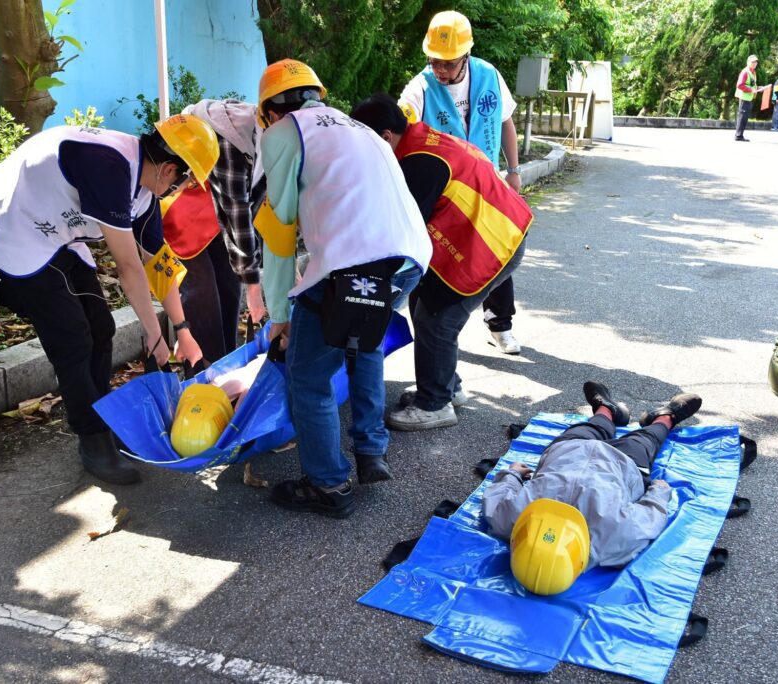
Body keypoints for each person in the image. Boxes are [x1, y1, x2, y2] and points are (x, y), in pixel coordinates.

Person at [0, 115, 217, 484]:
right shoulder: (110, 166)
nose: (182, 188)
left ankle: (102, 419)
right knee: (73, 338)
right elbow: (130, 268)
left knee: (102, 327)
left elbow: (158, 263)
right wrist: (155, 335)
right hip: (17, 227)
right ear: (168, 169)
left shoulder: (144, 187)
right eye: (185, 180)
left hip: (58, 232)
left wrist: (183, 330)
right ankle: (92, 438)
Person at [254, 60, 432, 518]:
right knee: (363, 335)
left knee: (308, 375)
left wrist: (279, 317)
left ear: (269, 112)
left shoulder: (282, 133)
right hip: (409, 258)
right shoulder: (362, 129)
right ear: (318, 95)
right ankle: (371, 449)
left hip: (354, 263)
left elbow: (279, 235)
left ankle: (329, 486)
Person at [350, 95, 532, 431]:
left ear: (385, 136)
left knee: (437, 318)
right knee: (425, 300)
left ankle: (436, 405)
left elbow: (403, 233)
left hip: (492, 242)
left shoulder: (418, 162)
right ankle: (445, 387)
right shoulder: (418, 139)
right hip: (490, 230)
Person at [482, 381, 702, 593]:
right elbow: (651, 515)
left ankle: (607, 410)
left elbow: (497, 495)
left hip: (569, 451)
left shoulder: (508, 521)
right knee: (648, 438)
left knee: (594, 426)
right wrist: (660, 491)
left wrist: (512, 474)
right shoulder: (617, 540)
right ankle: (665, 417)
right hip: (624, 464)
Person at [399, 10, 523, 354]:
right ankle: (440, 332)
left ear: (466, 56)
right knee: (445, 261)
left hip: (488, 185)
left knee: (499, 250)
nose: (440, 69)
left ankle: (500, 324)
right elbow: (402, 119)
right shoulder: (421, 87)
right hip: (448, 195)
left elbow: (506, 121)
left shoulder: (488, 75)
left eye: (448, 63)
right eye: (434, 61)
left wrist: (513, 170)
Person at [140, 98, 267, 367]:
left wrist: (283, 257)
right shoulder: (232, 139)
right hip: (180, 212)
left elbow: (262, 205)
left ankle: (230, 365)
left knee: (230, 283)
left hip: (212, 212)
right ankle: (206, 376)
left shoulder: (273, 139)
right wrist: (255, 289)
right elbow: (238, 210)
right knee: (202, 294)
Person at [734, 55, 768, 142]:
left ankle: (740, 135)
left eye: (756, 62)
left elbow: (751, 85)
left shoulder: (752, 72)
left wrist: (758, 88)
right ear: (748, 62)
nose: (754, 64)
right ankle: (738, 136)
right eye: (752, 62)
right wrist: (751, 90)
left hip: (749, 97)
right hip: (744, 97)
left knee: (744, 117)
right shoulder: (745, 72)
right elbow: (740, 85)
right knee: (742, 117)